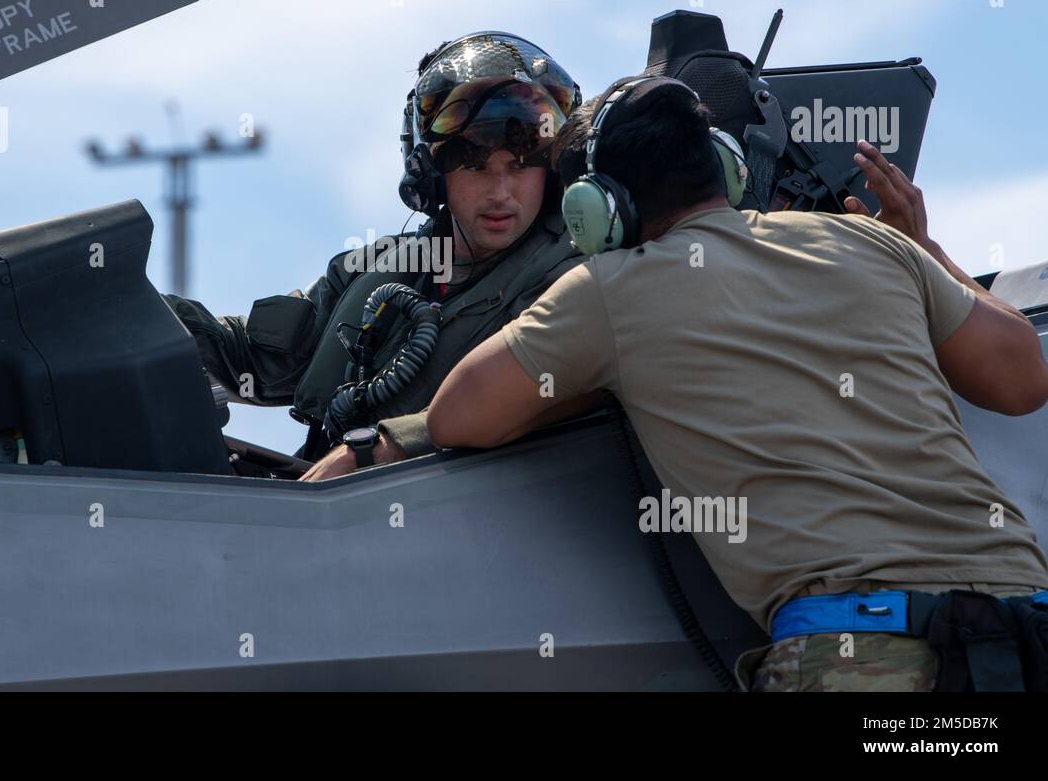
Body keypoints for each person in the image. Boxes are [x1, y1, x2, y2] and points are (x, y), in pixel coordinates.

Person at [427, 75, 1048, 691]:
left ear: (598, 211)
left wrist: (605, 373)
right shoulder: (874, 243)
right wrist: (926, 248)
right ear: (726, 166)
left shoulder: (609, 295)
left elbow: (456, 417)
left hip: (861, 651)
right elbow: (1024, 380)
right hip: (1027, 628)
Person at [164, 32, 587, 481]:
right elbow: (249, 356)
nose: (500, 193)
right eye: (475, 165)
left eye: (521, 165)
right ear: (433, 174)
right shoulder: (378, 269)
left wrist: (377, 451)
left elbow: (530, 399)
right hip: (326, 510)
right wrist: (134, 313)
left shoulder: (577, 281)